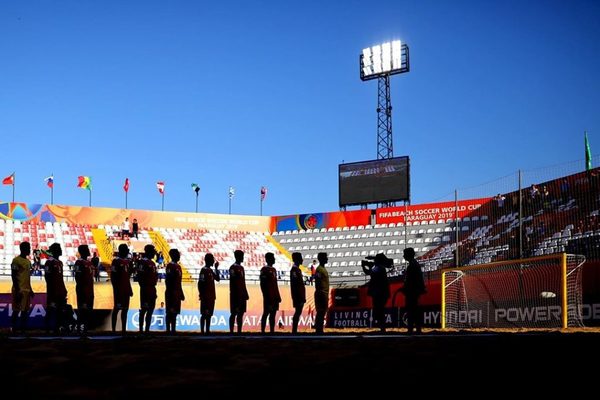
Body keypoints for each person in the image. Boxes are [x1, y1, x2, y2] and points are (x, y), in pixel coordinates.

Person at [362, 253, 391, 332]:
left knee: (379, 310)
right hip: (380, 293)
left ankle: (382, 327)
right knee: (379, 310)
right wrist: (365, 266)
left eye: (375, 259)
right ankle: (382, 327)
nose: (374, 261)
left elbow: (370, 273)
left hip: (379, 293)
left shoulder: (380, 268)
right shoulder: (379, 268)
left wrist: (365, 266)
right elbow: (370, 273)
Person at [10, 241, 34, 334]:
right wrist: (17, 290)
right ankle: (13, 329)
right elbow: (13, 275)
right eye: (28, 248)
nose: (30, 250)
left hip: (27, 290)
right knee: (16, 310)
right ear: (22, 249)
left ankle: (23, 330)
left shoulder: (28, 261)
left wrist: (31, 289)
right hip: (19, 290)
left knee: (25, 311)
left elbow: (27, 276)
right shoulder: (16, 260)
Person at [44, 243, 68, 333]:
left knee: (59, 311)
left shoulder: (60, 263)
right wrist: (51, 291)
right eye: (59, 248)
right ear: (55, 251)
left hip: (60, 291)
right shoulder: (49, 262)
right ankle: (47, 329)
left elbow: (61, 278)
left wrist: (64, 289)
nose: (61, 250)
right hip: (53, 292)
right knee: (50, 310)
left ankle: (57, 329)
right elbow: (47, 277)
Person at [402, 247, 426, 334]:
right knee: (413, 310)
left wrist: (405, 288)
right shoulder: (414, 264)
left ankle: (412, 329)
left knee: (412, 310)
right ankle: (415, 328)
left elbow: (412, 280)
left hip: (412, 292)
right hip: (413, 291)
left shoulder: (412, 265)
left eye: (405, 254)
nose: (403, 256)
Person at [110, 243, 133, 334]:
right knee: (117, 309)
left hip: (126, 289)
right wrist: (116, 288)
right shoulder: (116, 261)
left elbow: (128, 277)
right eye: (126, 249)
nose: (127, 251)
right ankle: (113, 330)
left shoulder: (128, 262)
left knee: (125, 310)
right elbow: (113, 276)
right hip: (119, 290)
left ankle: (123, 329)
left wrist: (130, 289)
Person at [74, 244, 95, 334]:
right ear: (83, 251)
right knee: (82, 310)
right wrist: (82, 290)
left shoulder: (89, 263)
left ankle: (85, 330)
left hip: (90, 291)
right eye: (87, 249)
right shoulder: (79, 262)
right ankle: (79, 329)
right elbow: (77, 277)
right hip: (83, 291)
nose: (88, 250)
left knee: (88, 311)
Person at [137, 244, 158, 333]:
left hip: (152, 289)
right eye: (153, 251)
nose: (154, 253)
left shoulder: (152, 263)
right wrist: (144, 287)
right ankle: (141, 329)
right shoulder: (142, 262)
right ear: (148, 252)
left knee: (150, 310)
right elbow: (140, 276)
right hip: (146, 289)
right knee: (144, 310)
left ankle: (147, 330)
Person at [198, 253, 220, 334]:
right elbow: (200, 283)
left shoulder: (210, 270)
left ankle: (207, 330)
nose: (213, 261)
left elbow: (217, 279)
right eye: (212, 259)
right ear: (208, 260)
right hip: (205, 296)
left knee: (209, 315)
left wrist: (216, 268)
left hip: (211, 296)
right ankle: (202, 331)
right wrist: (201, 294)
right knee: (204, 314)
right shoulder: (203, 270)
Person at [260, 252, 281, 334]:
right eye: (273, 257)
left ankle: (272, 331)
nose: (274, 259)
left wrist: (278, 296)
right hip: (268, 296)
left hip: (275, 297)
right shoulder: (264, 269)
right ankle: (263, 331)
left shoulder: (274, 270)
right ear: (268, 259)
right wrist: (266, 296)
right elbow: (262, 284)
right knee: (266, 313)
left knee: (273, 314)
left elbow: (275, 284)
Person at [165, 249, 185, 333]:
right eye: (178, 254)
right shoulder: (169, 266)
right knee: (170, 312)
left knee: (175, 312)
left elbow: (179, 282)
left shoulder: (179, 267)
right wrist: (171, 291)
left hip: (177, 292)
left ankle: (173, 329)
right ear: (174, 255)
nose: (179, 256)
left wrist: (181, 292)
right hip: (171, 292)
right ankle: (168, 330)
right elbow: (168, 280)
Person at [229, 249, 249, 333]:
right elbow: (233, 282)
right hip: (235, 295)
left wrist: (245, 292)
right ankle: (231, 331)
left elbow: (243, 282)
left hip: (242, 295)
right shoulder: (232, 268)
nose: (243, 258)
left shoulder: (241, 268)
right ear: (238, 257)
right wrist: (235, 293)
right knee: (234, 313)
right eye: (242, 256)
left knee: (240, 314)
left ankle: (239, 331)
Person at [289, 252, 306, 333]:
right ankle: (294, 330)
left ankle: (294, 330)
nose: (302, 259)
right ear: (296, 259)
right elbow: (296, 285)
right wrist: (299, 297)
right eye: (300, 258)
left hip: (299, 296)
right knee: (297, 312)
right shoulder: (294, 270)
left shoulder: (297, 270)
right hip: (298, 296)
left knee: (298, 312)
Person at [314, 252, 329, 334]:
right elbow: (318, 282)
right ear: (322, 259)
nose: (327, 259)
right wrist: (321, 293)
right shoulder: (319, 270)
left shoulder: (322, 269)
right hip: (321, 293)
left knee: (322, 312)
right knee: (320, 311)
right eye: (326, 257)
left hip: (324, 293)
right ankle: (318, 329)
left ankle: (319, 329)